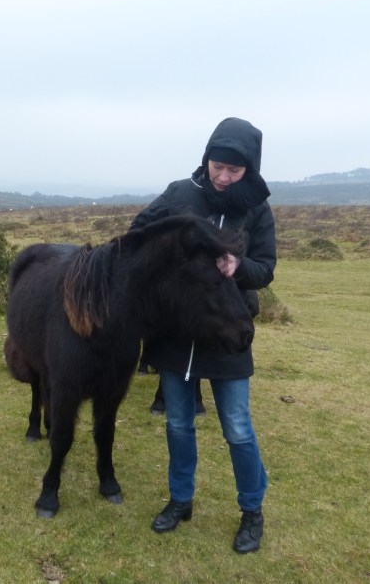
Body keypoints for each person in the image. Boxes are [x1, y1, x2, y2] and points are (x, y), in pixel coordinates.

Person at [130, 117, 276, 553]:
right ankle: (180, 500)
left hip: (225, 330)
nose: (224, 177)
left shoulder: (256, 209)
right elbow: (141, 231)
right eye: (218, 166)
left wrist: (237, 268)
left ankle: (252, 511)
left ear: (249, 170)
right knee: (177, 424)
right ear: (206, 158)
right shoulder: (180, 193)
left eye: (234, 171)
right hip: (175, 334)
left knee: (237, 428)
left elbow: (265, 270)